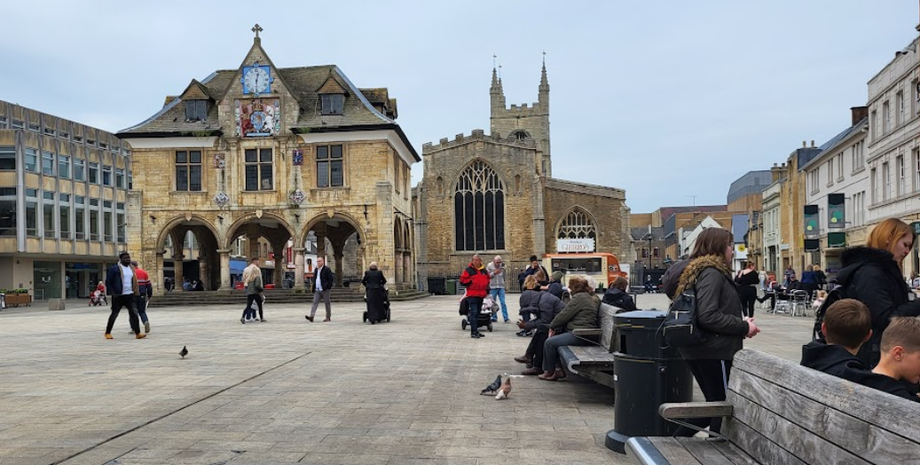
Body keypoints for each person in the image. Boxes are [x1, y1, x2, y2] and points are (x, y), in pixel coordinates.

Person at [662, 227, 759, 436]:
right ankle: (676, 443)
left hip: (702, 349)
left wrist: (739, 321)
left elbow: (707, 310)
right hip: (715, 351)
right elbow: (708, 315)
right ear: (719, 246)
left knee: (713, 406)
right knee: (720, 408)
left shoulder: (699, 270)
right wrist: (744, 326)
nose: (732, 251)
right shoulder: (712, 273)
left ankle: (675, 443)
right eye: (730, 245)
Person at [835, 218, 920, 368]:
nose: (907, 251)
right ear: (889, 238)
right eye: (905, 245)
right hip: (873, 357)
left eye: (910, 247)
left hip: (881, 352)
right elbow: (884, 318)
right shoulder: (871, 273)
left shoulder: (884, 271)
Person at [539, 276, 601, 381]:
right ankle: (557, 369)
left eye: (570, 286)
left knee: (550, 343)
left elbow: (564, 314)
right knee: (552, 339)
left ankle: (549, 371)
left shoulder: (579, 298)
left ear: (574, 288)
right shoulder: (585, 296)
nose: (568, 288)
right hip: (582, 332)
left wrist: (552, 326)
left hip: (582, 334)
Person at [514, 277, 567, 375]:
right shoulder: (541, 297)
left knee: (543, 331)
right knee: (542, 331)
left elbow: (545, 320)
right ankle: (531, 359)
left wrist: (527, 325)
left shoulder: (544, 302)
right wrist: (527, 324)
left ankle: (535, 363)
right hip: (558, 324)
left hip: (563, 327)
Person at [104, 251, 146, 340]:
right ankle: (107, 332)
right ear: (121, 259)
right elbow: (108, 282)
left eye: (129, 258)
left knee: (134, 313)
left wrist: (135, 292)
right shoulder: (115, 269)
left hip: (129, 295)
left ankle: (138, 333)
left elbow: (133, 281)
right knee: (114, 314)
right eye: (125, 258)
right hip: (118, 296)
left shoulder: (131, 268)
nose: (128, 259)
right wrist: (113, 293)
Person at [459, 254, 490, 339]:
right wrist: (471, 281)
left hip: (481, 294)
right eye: (474, 260)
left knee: (477, 314)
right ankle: (473, 332)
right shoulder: (468, 270)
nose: (476, 262)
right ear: (472, 261)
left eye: (477, 260)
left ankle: (476, 330)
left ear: (480, 261)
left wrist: (486, 288)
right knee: (474, 313)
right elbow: (462, 281)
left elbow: (488, 279)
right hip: (472, 295)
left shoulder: (484, 270)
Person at [306, 256, 334, 322]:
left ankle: (328, 317)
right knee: (315, 302)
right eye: (317, 261)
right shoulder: (316, 269)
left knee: (327, 303)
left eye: (319, 261)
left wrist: (328, 286)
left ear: (323, 262)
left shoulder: (327, 269)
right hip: (317, 289)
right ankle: (311, 316)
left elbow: (330, 279)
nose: (318, 262)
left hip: (324, 289)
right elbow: (315, 278)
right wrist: (313, 286)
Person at [486, 255, 510, 323]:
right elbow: (487, 276)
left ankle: (506, 318)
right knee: (493, 303)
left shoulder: (502, 266)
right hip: (493, 286)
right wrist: (494, 273)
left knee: (503, 302)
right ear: (494, 261)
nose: (498, 264)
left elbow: (504, 274)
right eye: (497, 262)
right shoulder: (489, 266)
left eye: (499, 262)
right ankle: (494, 317)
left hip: (501, 286)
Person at [131, 261, 153, 334]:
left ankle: (134, 328)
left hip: (132, 295)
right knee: (142, 311)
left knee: (133, 312)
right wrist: (149, 295)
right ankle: (145, 321)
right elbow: (149, 286)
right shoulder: (144, 273)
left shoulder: (130, 273)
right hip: (142, 295)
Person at [241, 257, 264, 323]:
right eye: (258, 261)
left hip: (248, 287)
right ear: (256, 261)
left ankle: (248, 317)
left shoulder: (246, 269)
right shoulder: (257, 269)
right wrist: (261, 289)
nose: (258, 262)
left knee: (250, 304)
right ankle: (254, 317)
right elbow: (258, 282)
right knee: (258, 304)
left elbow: (243, 279)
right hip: (256, 290)